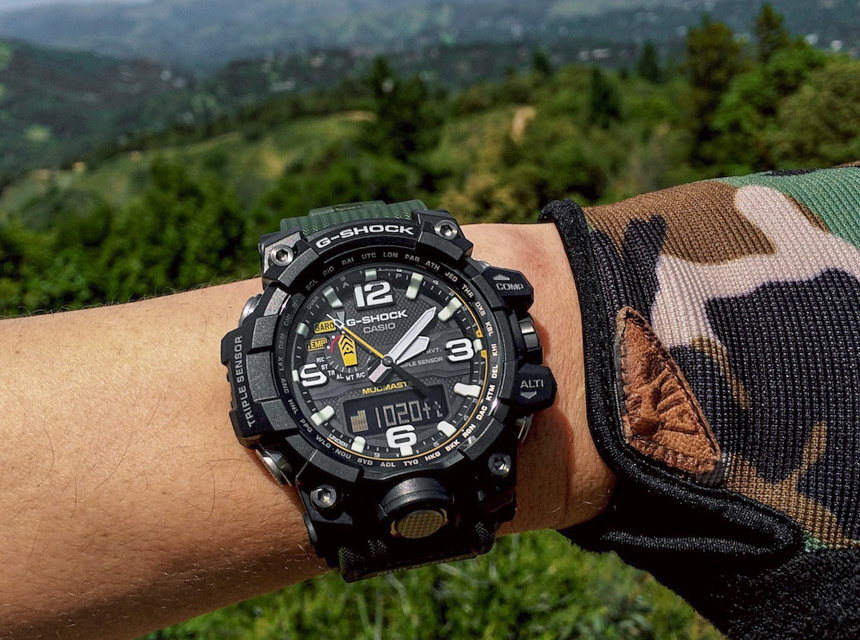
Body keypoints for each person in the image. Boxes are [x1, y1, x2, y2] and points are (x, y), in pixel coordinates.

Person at [0, 164, 857, 639]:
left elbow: (552, 292)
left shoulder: (508, 347)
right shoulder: (270, 382)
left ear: (519, 349)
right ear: (258, 387)